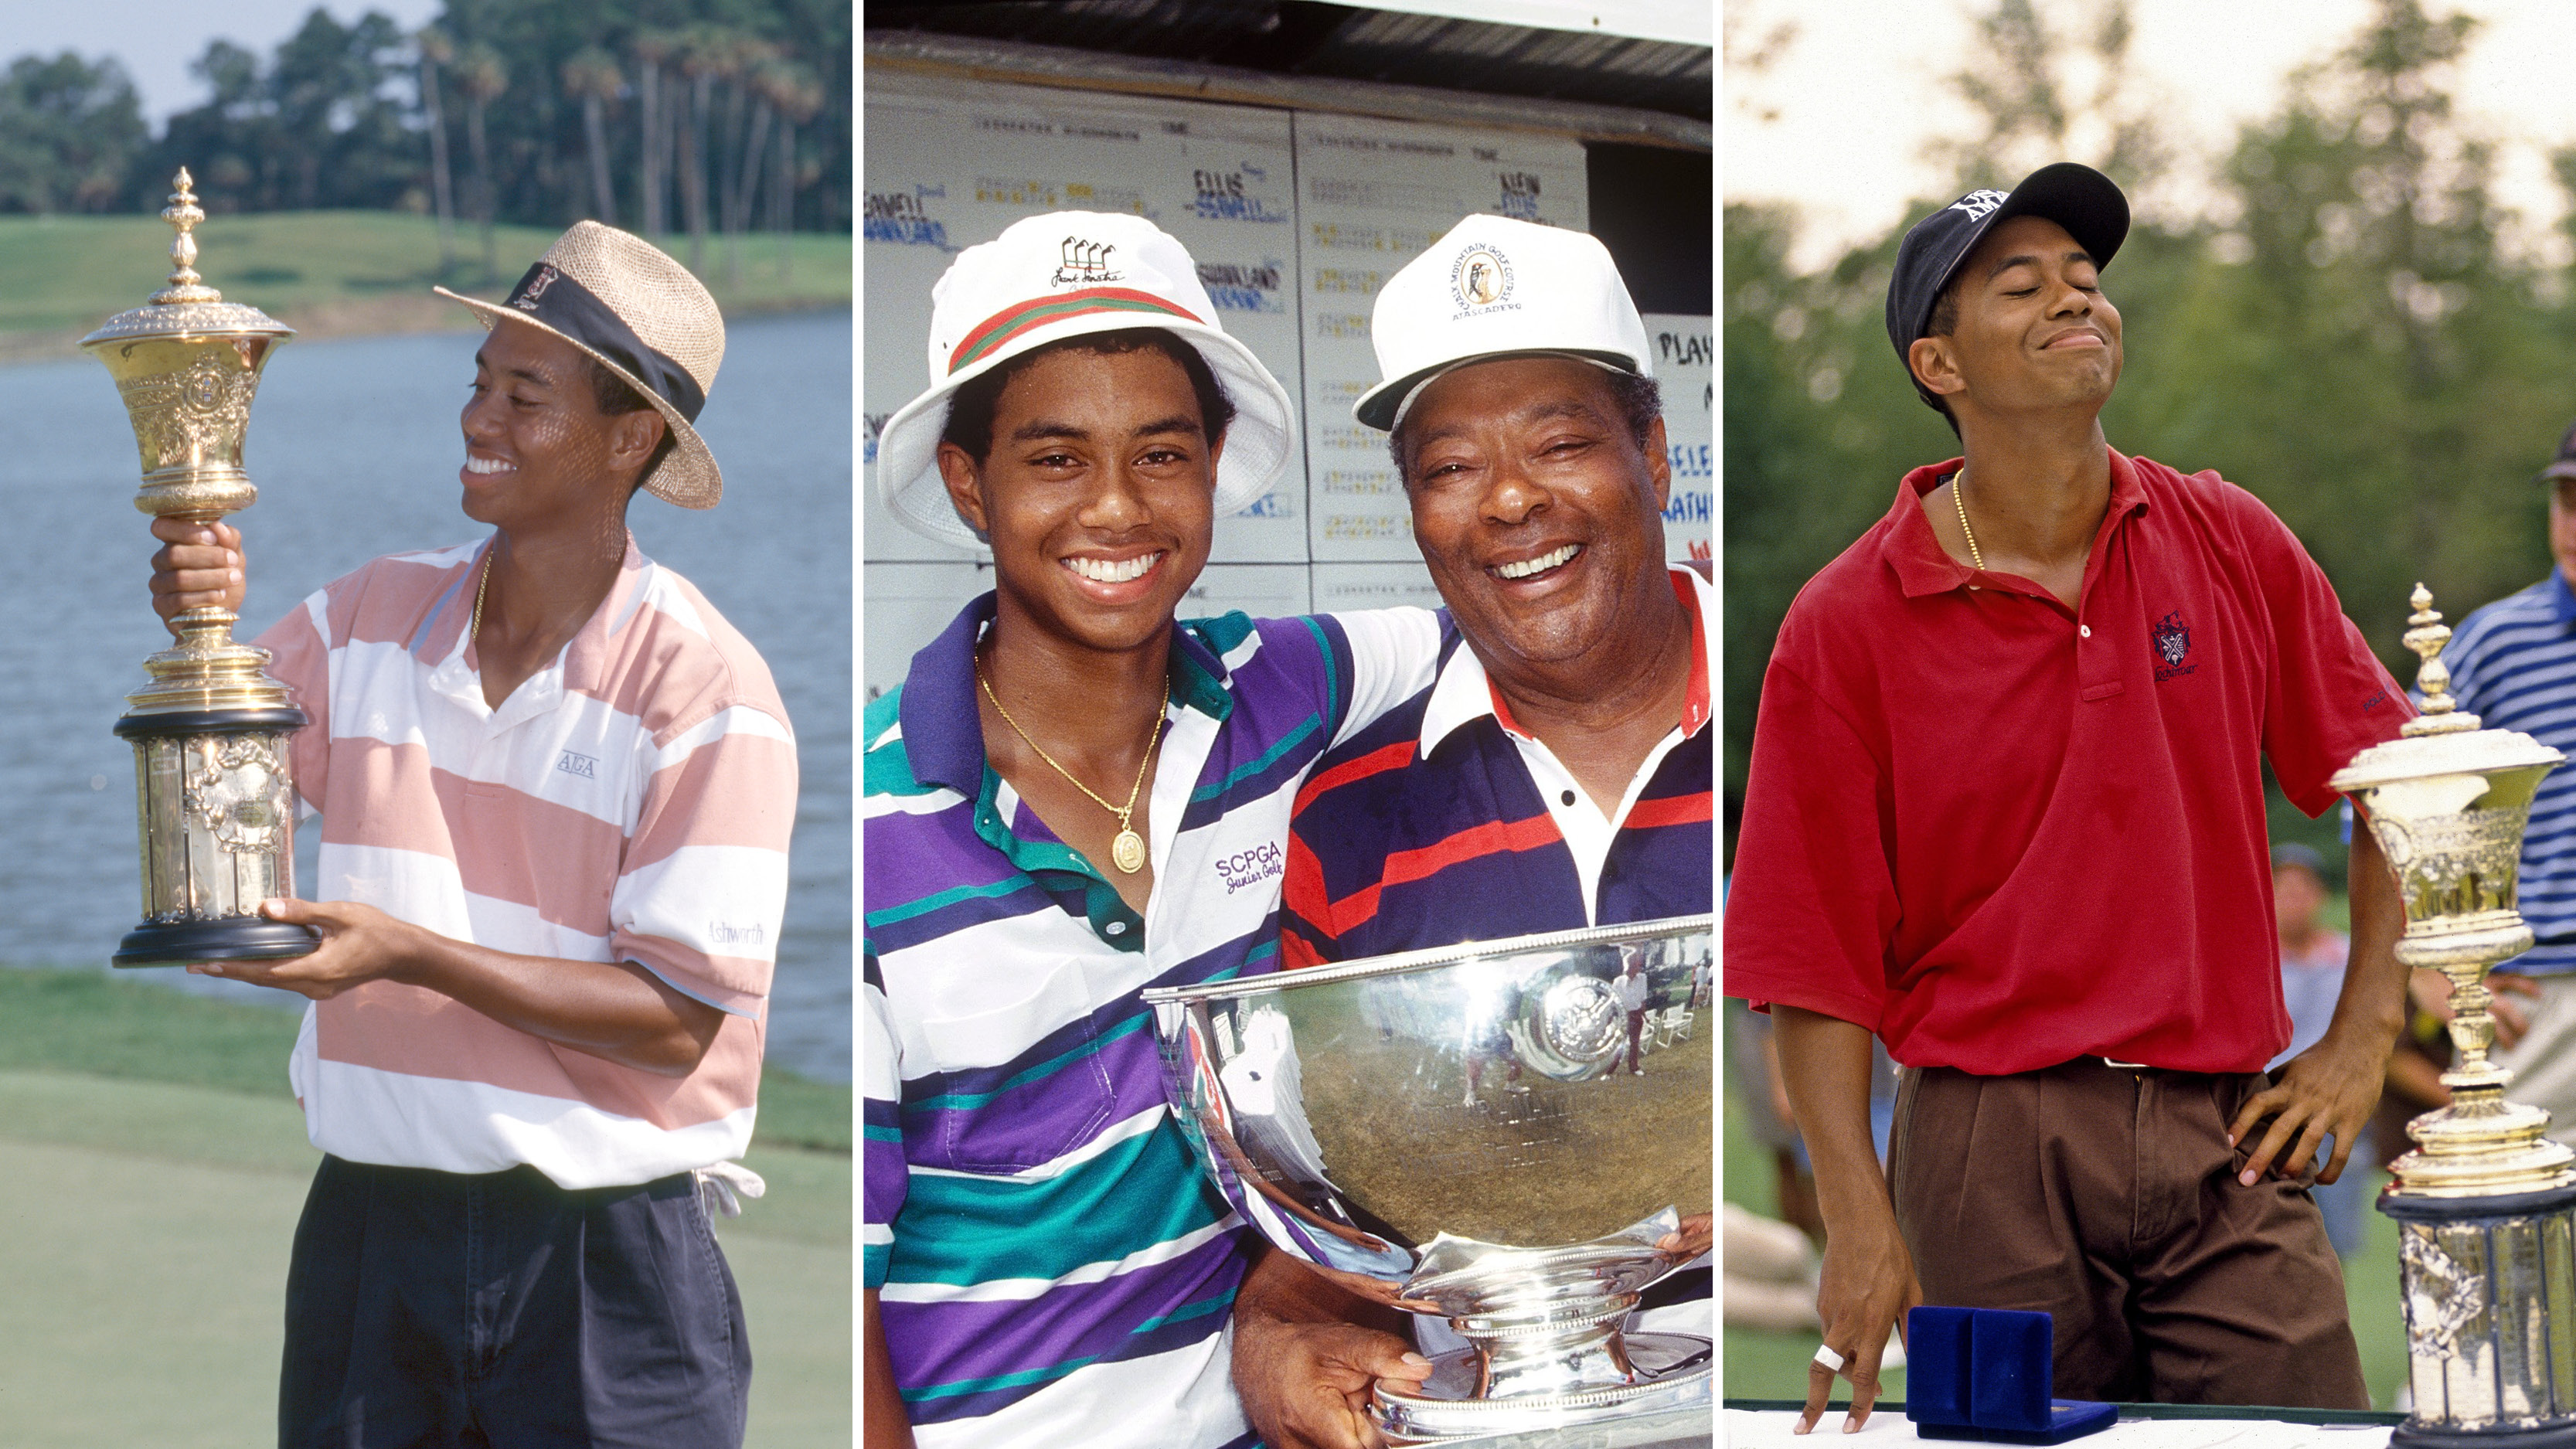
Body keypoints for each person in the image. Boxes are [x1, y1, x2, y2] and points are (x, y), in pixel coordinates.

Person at [1724, 162, 2414, 1427]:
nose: (2073, 301)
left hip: (2230, 1125)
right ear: (1939, 366)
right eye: (2021, 285)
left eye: (2086, 281)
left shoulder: (2227, 538)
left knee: (2305, 1427)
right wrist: (1853, 1215)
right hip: (1985, 1147)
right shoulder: (1844, 622)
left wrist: (2360, 1041)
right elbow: (1807, 959)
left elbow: (2395, 786)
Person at [148, 222, 795, 1447]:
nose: (478, 418)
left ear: (629, 437)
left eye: (524, 393)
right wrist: (197, 631)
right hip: (372, 1239)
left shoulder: (708, 691)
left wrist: (407, 952)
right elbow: (210, 803)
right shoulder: (363, 615)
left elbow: (679, 1017)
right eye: (478, 381)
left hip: (608, 1266)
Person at [860, 212, 1448, 1449]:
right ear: (972, 484)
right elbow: (844, 1315)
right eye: (1058, 458)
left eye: (1162, 454)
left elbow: (1525, 634)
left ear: (1215, 462)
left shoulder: (1290, 683)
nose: (1119, 509)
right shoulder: (872, 828)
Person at [1240, 214, 1714, 1449]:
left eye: (1561, 443)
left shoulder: (1816, 704)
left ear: (1654, 455)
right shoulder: (1352, 814)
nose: (1511, 499)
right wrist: (1277, 1328)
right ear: (1412, 508)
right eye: (1451, 467)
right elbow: (1346, 1197)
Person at [2431, 423, 2576, 1143]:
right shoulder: (2495, 641)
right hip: (2538, 1002)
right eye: (2566, 500)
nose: (2574, 525)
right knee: (2521, 1247)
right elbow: (2385, 803)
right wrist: (2425, 976)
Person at [2268, 842, 2368, 1257]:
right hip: (2270, 1113)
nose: (2295, 899)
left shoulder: (2348, 956)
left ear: (2321, 895)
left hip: (2337, 1116)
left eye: (2304, 888)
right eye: (2283, 887)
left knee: (2335, 1246)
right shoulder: (2255, 960)